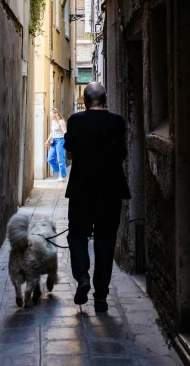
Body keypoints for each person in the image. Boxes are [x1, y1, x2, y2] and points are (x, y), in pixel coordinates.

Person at [64, 82, 130, 312]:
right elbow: (121, 154)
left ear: (84, 99)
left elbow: (70, 153)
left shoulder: (75, 121)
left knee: (77, 235)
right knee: (105, 240)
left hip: (82, 189)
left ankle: (82, 276)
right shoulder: (117, 122)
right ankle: (100, 296)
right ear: (105, 99)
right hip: (110, 191)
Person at [45, 108, 67, 181]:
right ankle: (61, 172)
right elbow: (52, 132)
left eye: (51, 114)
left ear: (55, 114)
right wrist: (47, 141)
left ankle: (62, 176)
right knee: (50, 159)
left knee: (61, 159)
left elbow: (65, 132)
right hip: (54, 141)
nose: (50, 115)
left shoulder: (61, 121)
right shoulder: (53, 122)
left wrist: (67, 141)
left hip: (61, 140)